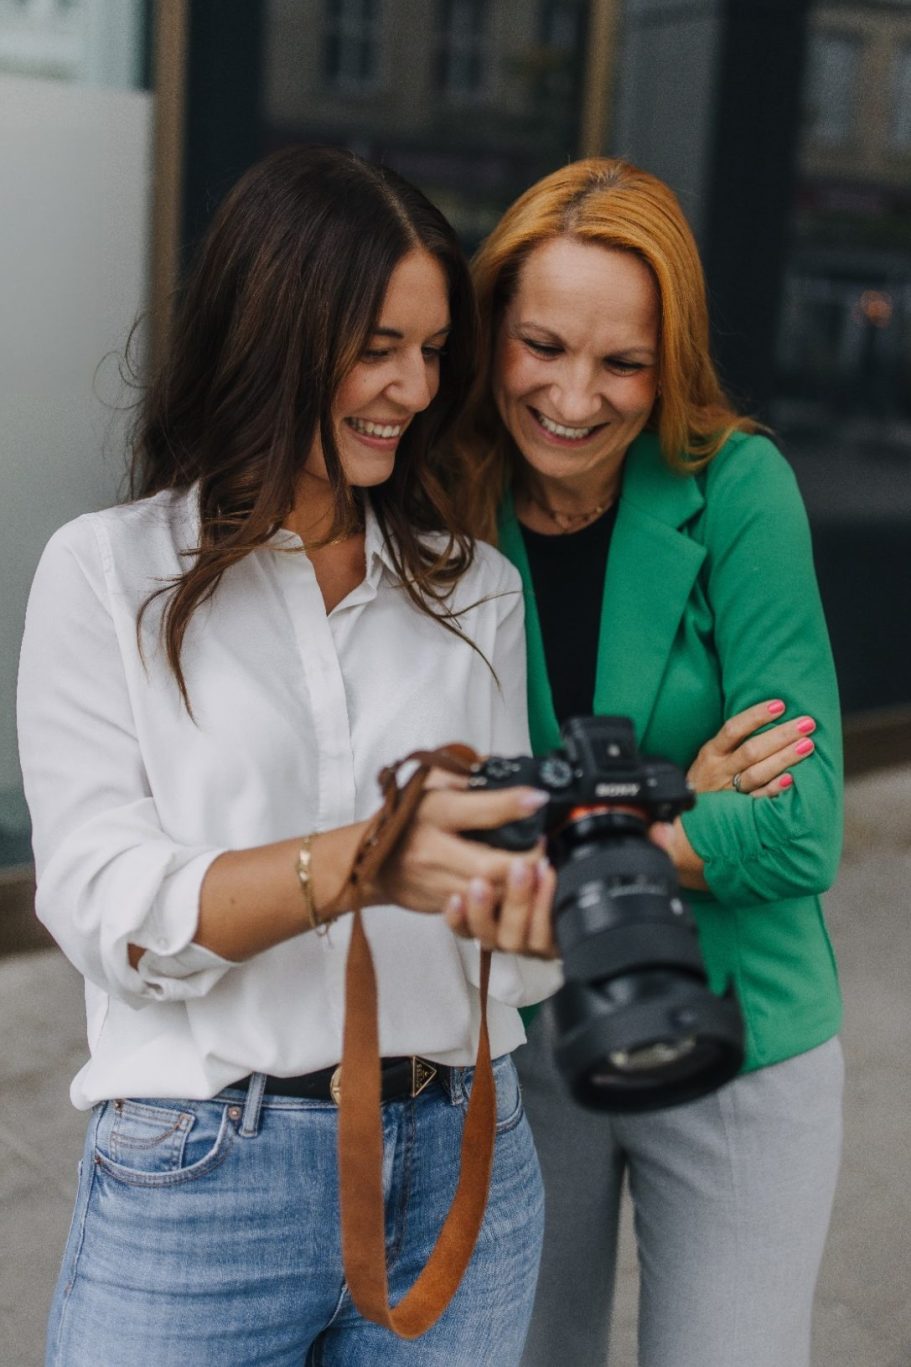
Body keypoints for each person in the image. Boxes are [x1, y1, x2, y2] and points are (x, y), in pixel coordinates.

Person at [17, 145, 563, 1367]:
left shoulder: (472, 587)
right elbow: (110, 909)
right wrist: (364, 860)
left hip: (460, 1157)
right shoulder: (108, 574)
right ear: (273, 332)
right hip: (206, 1172)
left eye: (431, 352)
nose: (413, 389)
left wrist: (536, 908)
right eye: (378, 345)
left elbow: (501, 909)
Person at [452, 157, 844, 1367]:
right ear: (490, 338)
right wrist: (686, 804)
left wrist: (583, 833)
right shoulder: (443, 496)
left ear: (666, 363)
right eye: (542, 345)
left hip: (736, 1025)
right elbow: (433, 807)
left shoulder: (735, 487)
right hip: (522, 1025)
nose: (575, 397)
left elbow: (800, 825)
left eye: (621, 362)